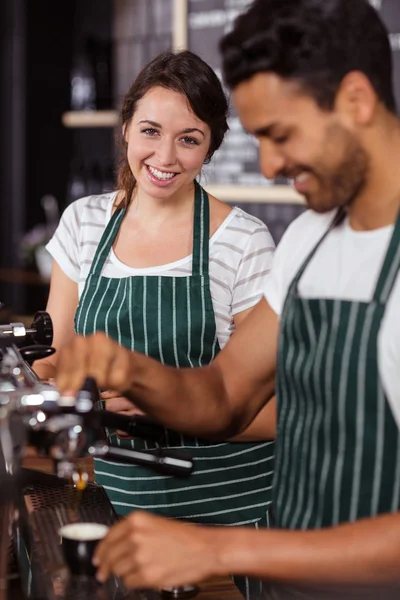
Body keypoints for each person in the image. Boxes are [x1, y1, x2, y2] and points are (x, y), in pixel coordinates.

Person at [55, 0, 400, 597]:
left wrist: (216, 545)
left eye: (281, 135)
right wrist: (132, 370)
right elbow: (225, 393)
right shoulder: (312, 240)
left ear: (355, 101)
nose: (269, 165)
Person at [33, 49, 276, 598]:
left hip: (226, 520)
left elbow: (279, 412)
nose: (165, 156)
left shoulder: (242, 241)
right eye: (149, 131)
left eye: (189, 138)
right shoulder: (85, 223)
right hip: (114, 503)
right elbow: (53, 355)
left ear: (211, 144)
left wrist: (159, 400)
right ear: (124, 130)